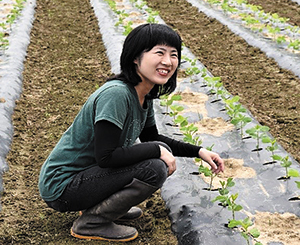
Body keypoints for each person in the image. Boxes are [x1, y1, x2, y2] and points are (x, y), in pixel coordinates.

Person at [38, 23, 224, 242]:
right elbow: (106, 157)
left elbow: (152, 138)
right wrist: (156, 150)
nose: (168, 61)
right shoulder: (116, 95)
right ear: (136, 58)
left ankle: (105, 207)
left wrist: (199, 151)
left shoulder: (144, 94)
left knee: (158, 150)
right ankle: (92, 222)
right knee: (155, 167)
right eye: (159, 53)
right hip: (62, 187)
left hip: (85, 176)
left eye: (174, 54)